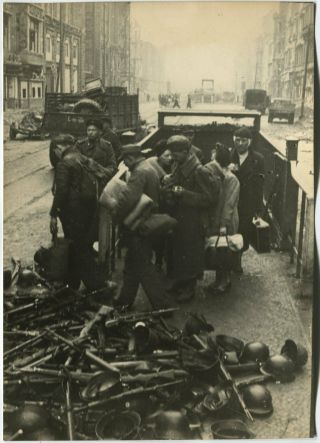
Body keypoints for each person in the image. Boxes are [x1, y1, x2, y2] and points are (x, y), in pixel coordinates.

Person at [111, 144, 172, 310]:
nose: (125, 163)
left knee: (143, 265)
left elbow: (128, 199)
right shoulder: (149, 167)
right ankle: (125, 299)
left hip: (138, 224)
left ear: (130, 158)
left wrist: (115, 214)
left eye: (125, 160)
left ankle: (162, 305)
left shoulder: (139, 172)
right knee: (132, 263)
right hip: (146, 221)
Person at [163, 135, 220, 302]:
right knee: (178, 251)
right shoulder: (178, 164)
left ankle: (189, 288)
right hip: (179, 216)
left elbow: (209, 199)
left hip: (194, 220)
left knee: (190, 253)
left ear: (186, 152)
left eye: (176, 153)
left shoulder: (199, 171)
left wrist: (184, 194)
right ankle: (180, 281)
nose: (172, 157)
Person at [49, 135, 108, 289]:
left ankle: (97, 285)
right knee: (79, 245)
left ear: (59, 148)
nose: (55, 153)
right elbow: (103, 174)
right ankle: (72, 281)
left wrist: (53, 214)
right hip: (88, 209)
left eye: (55, 150)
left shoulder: (64, 163)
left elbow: (61, 191)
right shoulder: (82, 157)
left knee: (78, 247)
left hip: (73, 213)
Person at [206, 143, 240, 294]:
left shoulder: (231, 179)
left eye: (213, 158)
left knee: (225, 250)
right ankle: (218, 280)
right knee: (219, 249)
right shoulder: (219, 176)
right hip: (218, 219)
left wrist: (223, 224)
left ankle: (224, 281)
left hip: (227, 220)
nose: (211, 161)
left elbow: (229, 204)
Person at [230, 126, 265, 273]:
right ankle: (230, 262)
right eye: (237, 140)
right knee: (230, 231)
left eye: (243, 140)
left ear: (249, 142)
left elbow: (259, 185)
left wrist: (258, 208)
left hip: (247, 203)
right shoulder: (228, 156)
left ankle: (237, 261)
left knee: (243, 231)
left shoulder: (258, 159)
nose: (240, 143)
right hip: (231, 200)